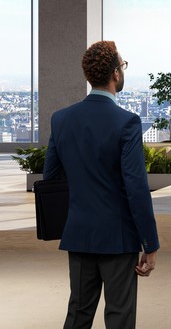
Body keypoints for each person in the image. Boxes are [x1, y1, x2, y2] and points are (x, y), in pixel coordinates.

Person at [43, 40, 160, 328]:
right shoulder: (127, 122)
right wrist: (150, 243)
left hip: (79, 233)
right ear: (116, 74)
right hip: (118, 239)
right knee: (119, 316)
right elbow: (135, 187)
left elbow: (51, 178)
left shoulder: (61, 120)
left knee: (78, 314)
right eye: (123, 65)